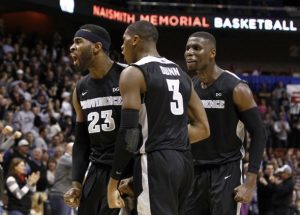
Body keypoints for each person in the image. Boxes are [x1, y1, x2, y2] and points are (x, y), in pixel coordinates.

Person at [107, 20, 210, 215]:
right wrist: (170, 138)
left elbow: (129, 134)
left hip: (155, 161)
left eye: (124, 40)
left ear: (135, 40)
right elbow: (203, 128)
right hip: (184, 164)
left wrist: (113, 182)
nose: (121, 47)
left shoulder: (133, 73)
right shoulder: (181, 74)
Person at [183, 31, 266, 215]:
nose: (189, 52)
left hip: (226, 169)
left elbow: (260, 132)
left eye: (196, 48)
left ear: (212, 53)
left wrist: (250, 182)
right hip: (195, 170)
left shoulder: (236, 88)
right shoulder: (190, 86)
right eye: (187, 48)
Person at [63, 24, 128, 215]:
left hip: (127, 169)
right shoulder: (80, 88)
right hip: (96, 171)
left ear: (97, 47)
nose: (71, 47)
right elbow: (81, 142)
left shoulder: (128, 76)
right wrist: (76, 183)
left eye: (78, 41)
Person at [49, 142, 73, 215]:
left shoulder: (69, 160)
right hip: (60, 194)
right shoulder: (65, 158)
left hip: (65, 195)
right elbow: (81, 164)